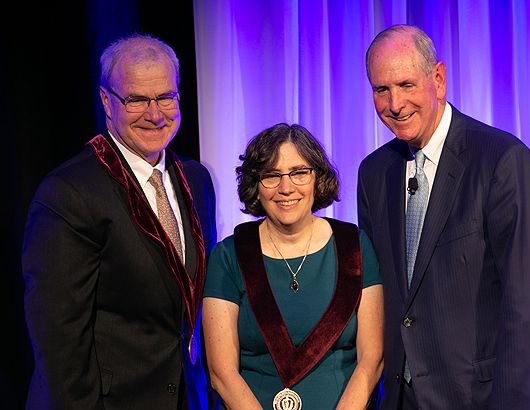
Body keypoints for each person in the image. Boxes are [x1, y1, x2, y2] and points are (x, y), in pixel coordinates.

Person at [357, 25, 530, 409]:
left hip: (481, 399)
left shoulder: (501, 160)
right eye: (381, 90)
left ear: (439, 79)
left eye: (405, 85)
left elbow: (529, 308)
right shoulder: (374, 173)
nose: (394, 104)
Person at [22, 33, 217, 410]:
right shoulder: (68, 192)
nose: (155, 114)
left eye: (165, 97)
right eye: (137, 100)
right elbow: (59, 340)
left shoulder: (196, 178)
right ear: (106, 100)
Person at [202, 123, 384, 409]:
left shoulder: (355, 246)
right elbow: (221, 374)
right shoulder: (228, 255)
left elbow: (371, 360)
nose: (286, 188)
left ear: (317, 178)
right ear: (255, 185)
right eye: (271, 176)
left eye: (299, 172)